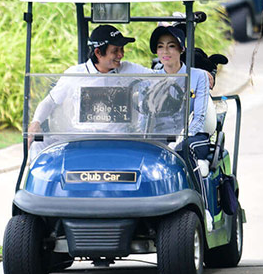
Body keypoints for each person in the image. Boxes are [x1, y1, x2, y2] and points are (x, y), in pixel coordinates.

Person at [27, 25, 152, 154]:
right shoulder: (75, 74)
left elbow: (158, 77)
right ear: (98, 52)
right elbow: (50, 102)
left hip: (118, 140)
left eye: (122, 49)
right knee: (38, 145)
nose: (121, 55)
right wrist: (36, 122)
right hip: (81, 140)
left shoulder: (128, 69)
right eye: (115, 51)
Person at [149, 24, 211, 176]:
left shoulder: (198, 76)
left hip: (190, 135)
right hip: (162, 135)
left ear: (181, 49)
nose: (165, 51)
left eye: (171, 46)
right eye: (160, 46)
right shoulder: (151, 77)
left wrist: (180, 140)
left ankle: (197, 197)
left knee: (184, 151)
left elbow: (199, 117)